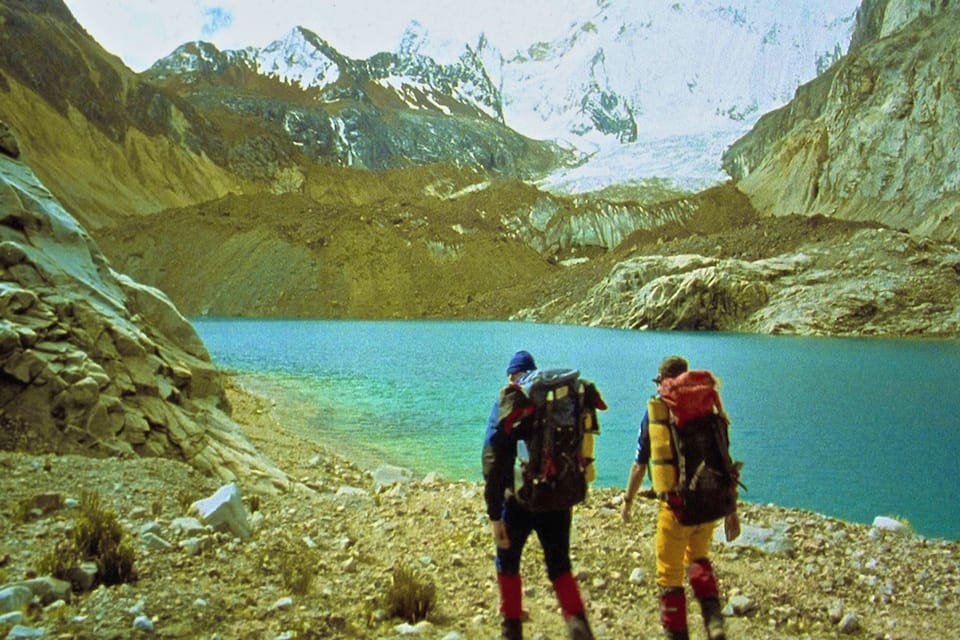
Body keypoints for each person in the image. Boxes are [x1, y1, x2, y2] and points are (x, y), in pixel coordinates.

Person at [621, 355, 739, 640]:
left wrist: (628, 502)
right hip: (708, 504)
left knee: (669, 574)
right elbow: (723, 460)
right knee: (699, 559)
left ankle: (677, 635)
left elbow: (640, 465)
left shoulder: (658, 412)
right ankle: (714, 623)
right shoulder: (709, 410)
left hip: (676, 509)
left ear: (664, 380)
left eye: (659, 380)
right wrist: (731, 509)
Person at [482, 350, 595, 640]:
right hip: (558, 499)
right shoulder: (563, 400)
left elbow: (494, 460)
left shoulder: (510, 399)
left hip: (518, 500)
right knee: (560, 567)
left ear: (512, 376)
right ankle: (579, 629)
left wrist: (495, 516)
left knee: (507, 563)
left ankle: (511, 631)